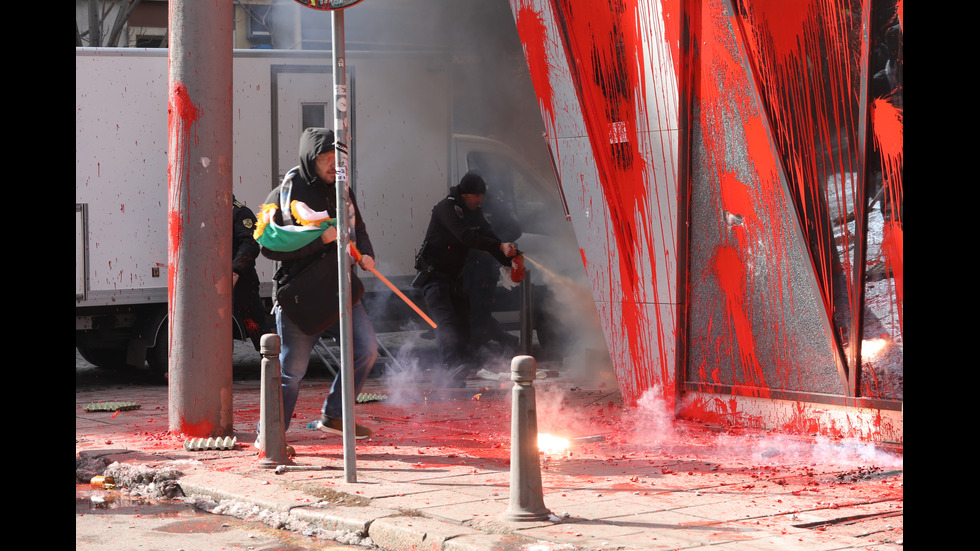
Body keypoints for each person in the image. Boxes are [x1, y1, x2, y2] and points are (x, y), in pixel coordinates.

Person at [258, 128, 378, 439]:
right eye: (326, 158)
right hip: (301, 294)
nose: (333, 164)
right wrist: (319, 240)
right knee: (291, 372)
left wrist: (366, 254)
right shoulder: (285, 193)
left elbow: (358, 228)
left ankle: (335, 415)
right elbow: (270, 247)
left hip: (341, 287)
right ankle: (270, 435)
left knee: (366, 349)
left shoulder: (342, 190)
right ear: (311, 159)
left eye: (337, 158)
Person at [413, 171, 519, 386]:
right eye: (476, 196)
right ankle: (450, 367)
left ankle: (461, 367)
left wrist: (511, 258)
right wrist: (498, 246)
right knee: (445, 322)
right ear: (465, 194)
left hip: (454, 278)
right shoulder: (447, 208)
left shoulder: (474, 212)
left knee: (462, 323)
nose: (480, 200)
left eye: (482, 196)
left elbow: (489, 236)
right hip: (434, 276)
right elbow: (465, 236)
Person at [232, 196, 272, 351]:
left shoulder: (240, 212)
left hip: (242, 283)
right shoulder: (210, 212)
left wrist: (235, 271)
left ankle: (271, 365)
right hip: (218, 282)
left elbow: (251, 244)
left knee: (256, 328)